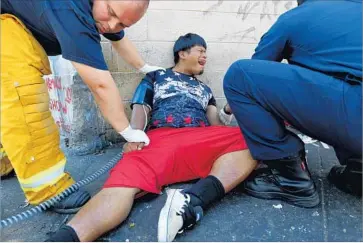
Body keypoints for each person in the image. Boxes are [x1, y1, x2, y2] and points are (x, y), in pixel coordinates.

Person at [45, 33, 257, 242]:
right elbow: (141, 107)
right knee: (122, 183)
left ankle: (193, 200)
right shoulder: (156, 76)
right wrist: (134, 135)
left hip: (199, 138)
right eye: (201, 51)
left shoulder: (205, 89)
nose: (205, 57)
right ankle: (65, 238)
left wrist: (228, 110)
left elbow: (216, 127)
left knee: (252, 138)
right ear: (182, 52)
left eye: (206, 53)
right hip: (160, 140)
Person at [0, 0, 164, 213]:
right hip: (6, 26)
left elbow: (118, 39)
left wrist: (145, 67)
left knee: (6, 107)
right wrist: (127, 131)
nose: (112, 25)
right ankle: (48, 189)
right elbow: (100, 85)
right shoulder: (71, 8)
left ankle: (4, 162)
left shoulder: (102, 13)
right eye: (112, 13)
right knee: (24, 100)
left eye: (123, 24)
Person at [223, 0, 362, 208]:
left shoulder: (294, 17)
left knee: (239, 75)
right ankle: (358, 169)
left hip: (355, 113)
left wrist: (229, 107)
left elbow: (256, 72)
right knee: (341, 77)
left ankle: (290, 178)